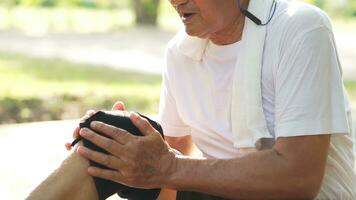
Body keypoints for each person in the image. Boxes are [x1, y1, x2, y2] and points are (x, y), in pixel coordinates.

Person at [28, 0, 356, 199]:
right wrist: (122, 146)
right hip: (219, 195)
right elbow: (167, 175)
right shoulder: (181, 52)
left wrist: (167, 166)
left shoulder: (300, 28)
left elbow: (300, 177)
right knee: (107, 137)